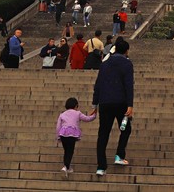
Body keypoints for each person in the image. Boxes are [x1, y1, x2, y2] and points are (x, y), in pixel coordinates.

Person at [92, 39, 134, 176]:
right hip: (121, 102)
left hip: (105, 102)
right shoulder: (127, 63)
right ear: (126, 51)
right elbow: (129, 85)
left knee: (103, 134)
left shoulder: (104, 64)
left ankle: (101, 167)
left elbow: (98, 84)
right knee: (126, 129)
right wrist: (130, 105)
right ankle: (119, 155)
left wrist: (95, 104)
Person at [55, 97, 96, 177]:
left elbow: (58, 126)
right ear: (76, 106)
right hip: (72, 134)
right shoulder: (78, 113)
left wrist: (58, 136)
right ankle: (65, 167)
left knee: (66, 151)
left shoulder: (62, 114)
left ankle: (67, 167)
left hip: (63, 134)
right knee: (70, 151)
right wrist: (94, 115)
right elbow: (87, 119)